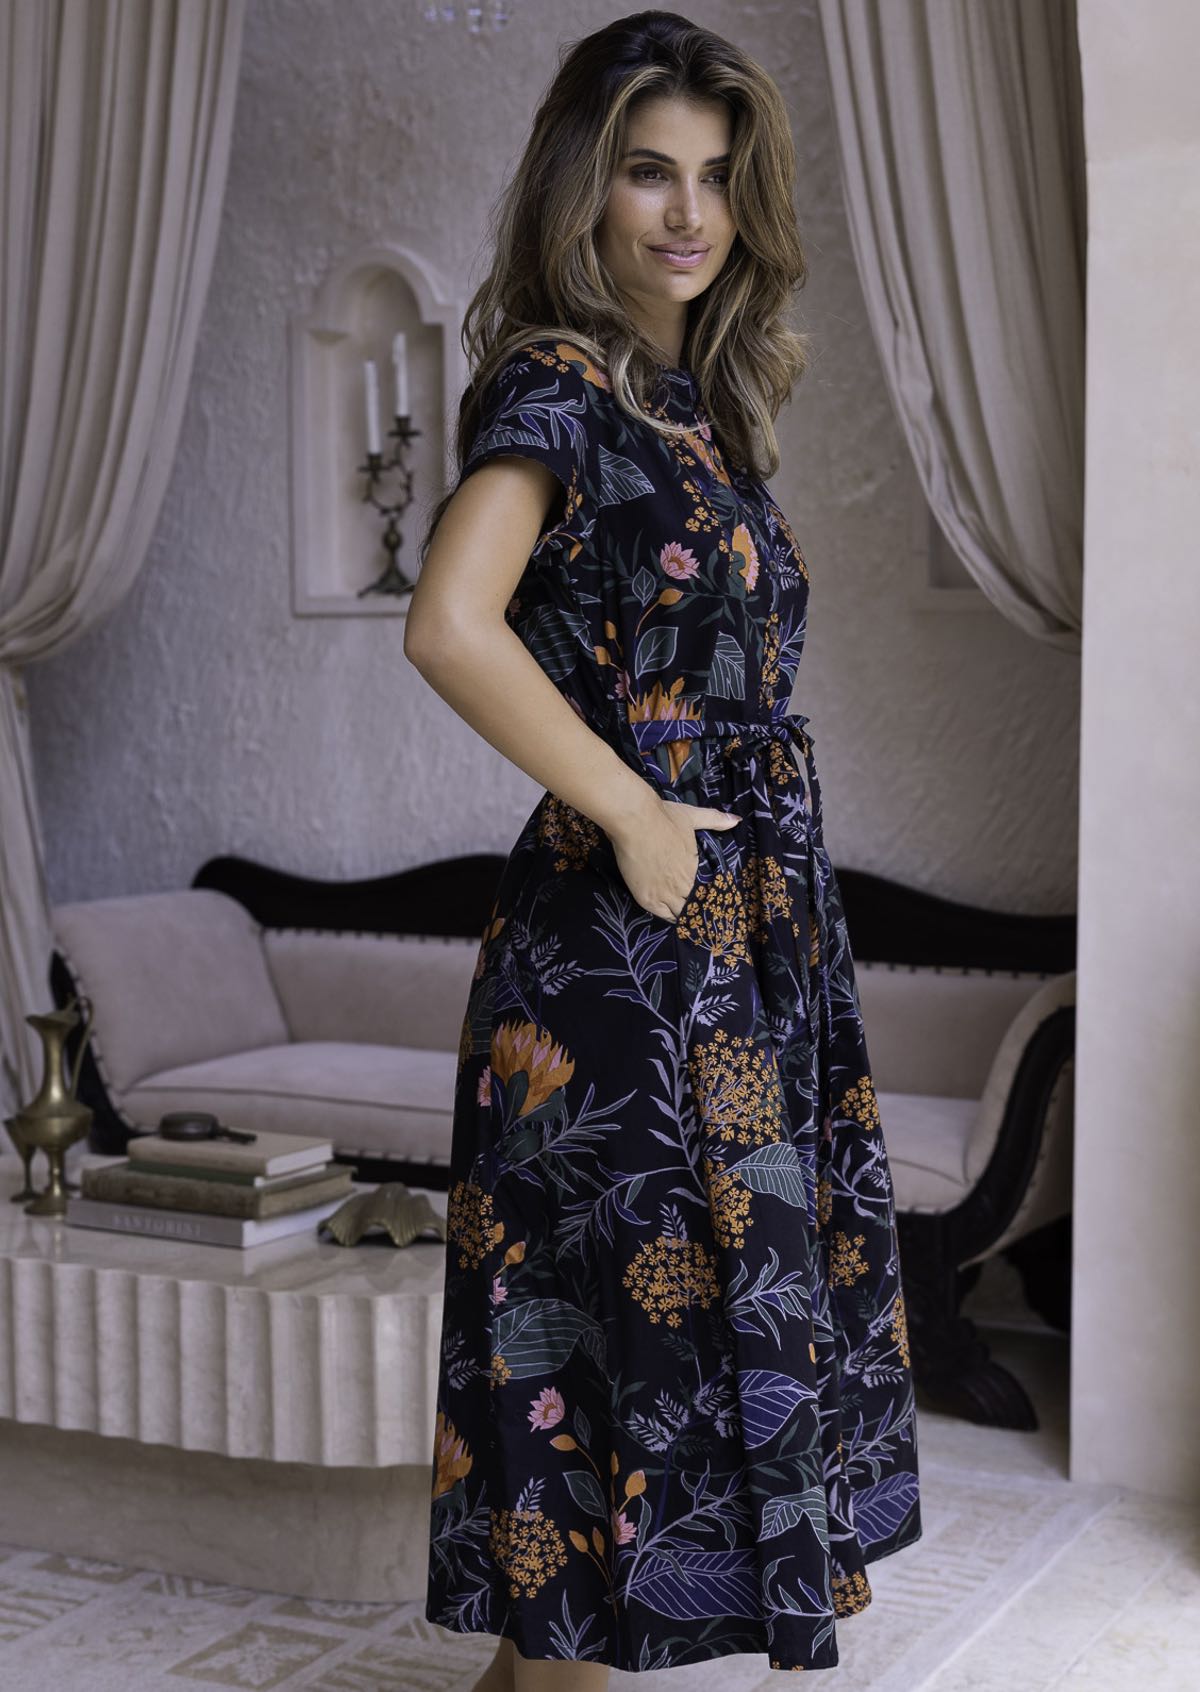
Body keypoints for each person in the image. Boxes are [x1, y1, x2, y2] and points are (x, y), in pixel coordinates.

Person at [405, 11, 921, 1686]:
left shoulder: (697, 412)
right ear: (586, 186)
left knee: (674, 1362)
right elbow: (449, 623)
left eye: (714, 176)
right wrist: (632, 811)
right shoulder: (556, 386)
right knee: (613, 1380)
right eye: (648, 171)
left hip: (743, 942)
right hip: (626, 955)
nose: (689, 213)